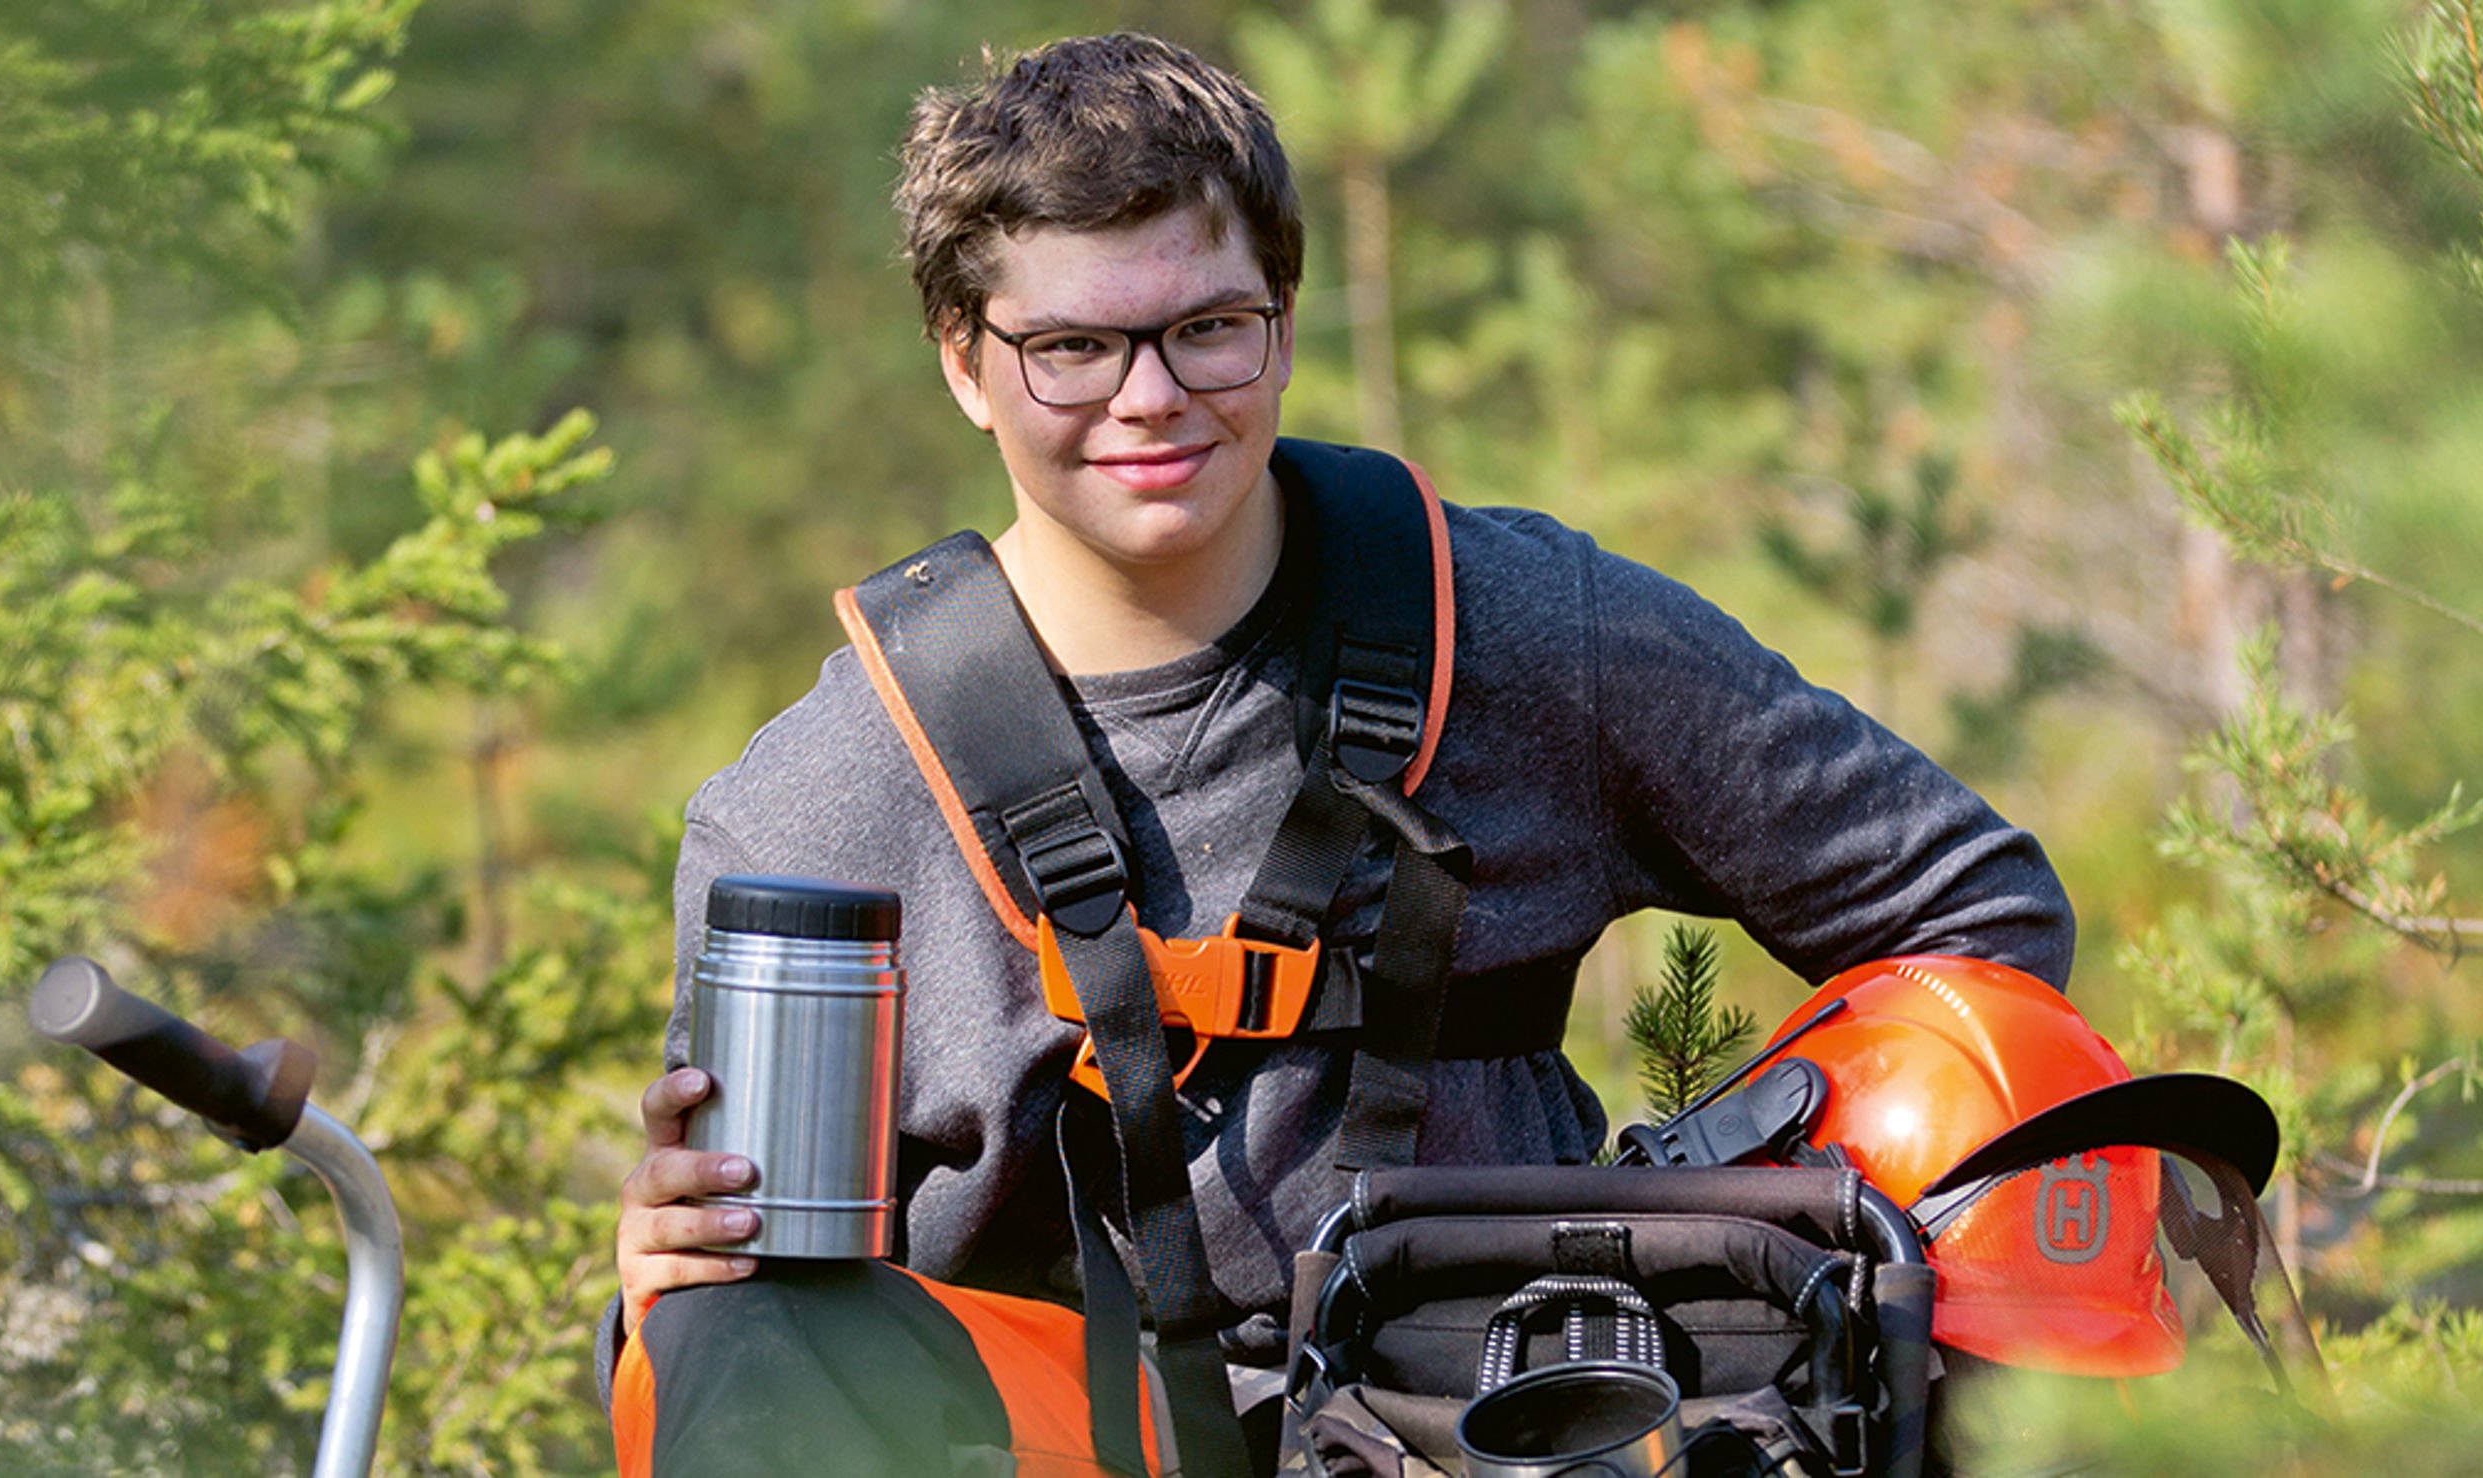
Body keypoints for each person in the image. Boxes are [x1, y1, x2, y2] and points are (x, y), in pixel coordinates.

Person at [605, 31, 2072, 1478]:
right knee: (727, 1333)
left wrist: (1745, 1232)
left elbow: (1977, 916)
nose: (1151, 397)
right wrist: (669, 1261)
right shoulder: (818, 802)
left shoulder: (1519, 628)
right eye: (1071, 348)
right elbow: (739, 1339)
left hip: (1512, 1416)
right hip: (1054, 1437)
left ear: (1285, 322)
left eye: (1208, 326)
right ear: (964, 361)